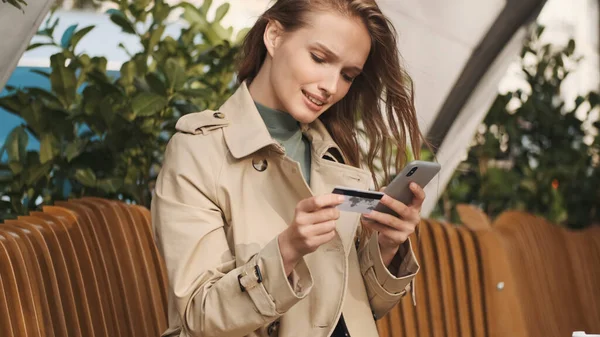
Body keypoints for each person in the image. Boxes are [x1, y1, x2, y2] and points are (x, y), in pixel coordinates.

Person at [151, 0, 428, 336]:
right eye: (319, 58)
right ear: (274, 35)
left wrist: (386, 245)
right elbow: (201, 314)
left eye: (347, 75)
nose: (331, 86)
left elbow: (347, 314)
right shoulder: (200, 150)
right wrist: (287, 250)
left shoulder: (334, 156)